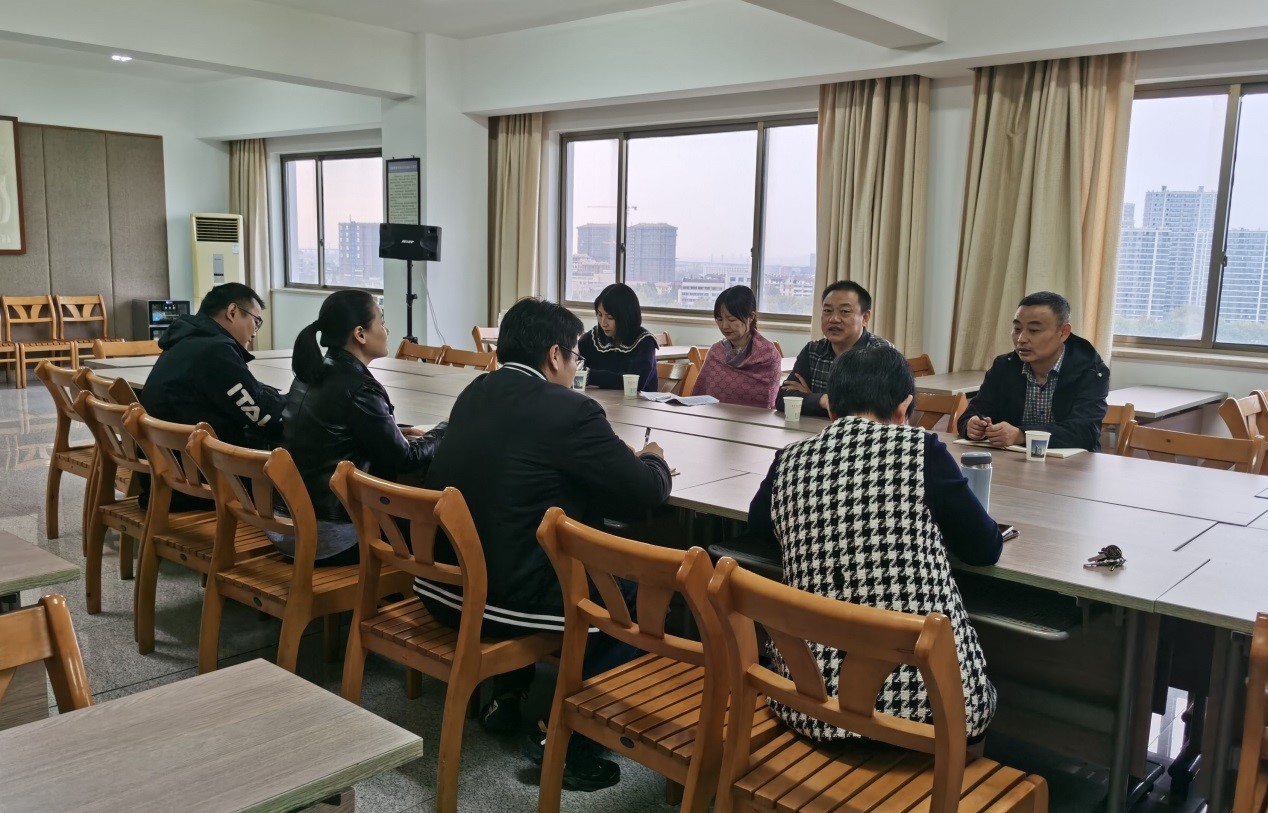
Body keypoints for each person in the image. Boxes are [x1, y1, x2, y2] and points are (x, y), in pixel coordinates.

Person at [414, 296, 671, 791]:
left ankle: (507, 695)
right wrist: (654, 458)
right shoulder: (570, 410)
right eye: (576, 356)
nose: (577, 368)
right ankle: (567, 738)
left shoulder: (476, 390)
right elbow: (646, 492)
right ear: (555, 355)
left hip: (443, 589)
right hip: (499, 604)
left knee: (522, 533)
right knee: (637, 598)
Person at [748, 343, 1002, 742]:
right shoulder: (922, 450)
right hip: (932, 715)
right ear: (904, 409)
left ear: (831, 411)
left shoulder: (789, 460)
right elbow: (984, 549)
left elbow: (760, 527)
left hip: (811, 704)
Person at [274, 290, 446, 566]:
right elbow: (406, 459)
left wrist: (394, 430)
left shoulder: (312, 372)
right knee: (445, 530)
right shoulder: (359, 388)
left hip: (285, 525)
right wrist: (445, 428)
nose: (387, 330)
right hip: (329, 535)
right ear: (360, 334)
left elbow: (335, 428)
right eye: (381, 322)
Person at [138, 283, 285, 510]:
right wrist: (291, 402)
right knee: (291, 470)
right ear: (232, 312)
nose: (255, 332)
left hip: (166, 478)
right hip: (199, 486)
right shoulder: (215, 351)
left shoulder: (186, 340)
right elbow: (262, 416)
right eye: (256, 321)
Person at [957, 291, 1109, 452]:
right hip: (1013, 461)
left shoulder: (1091, 371)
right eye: (1017, 329)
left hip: (1073, 464)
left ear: (1063, 332)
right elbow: (974, 413)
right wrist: (971, 425)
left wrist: (1022, 435)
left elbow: (1085, 432)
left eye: (1034, 330)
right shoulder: (1004, 366)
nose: (1021, 339)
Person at [777, 280, 892, 417]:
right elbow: (783, 400)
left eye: (844, 312)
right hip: (815, 430)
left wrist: (810, 398)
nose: (834, 319)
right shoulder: (813, 351)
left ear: (865, 318)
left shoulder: (882, 354)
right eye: (827, 311)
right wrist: (822, 400)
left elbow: (876, 410)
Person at [691, 285, 782, 408]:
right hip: (714, 418)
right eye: (719, 319)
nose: (724, 326)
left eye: (731, 320)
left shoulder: (768, 355)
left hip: (755, 420)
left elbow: (769, 402)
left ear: (751, 317)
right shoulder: (715, 352)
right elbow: (699, 398)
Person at [577, 283, 658, 391]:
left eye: (610, 317)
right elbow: (571, 362)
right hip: (599, 400)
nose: (603, 323)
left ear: (625, 317)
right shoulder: (594, 337)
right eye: (599, 315)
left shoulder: (645, 341)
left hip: (637, 402)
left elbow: (634, 382)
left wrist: (589, 375)